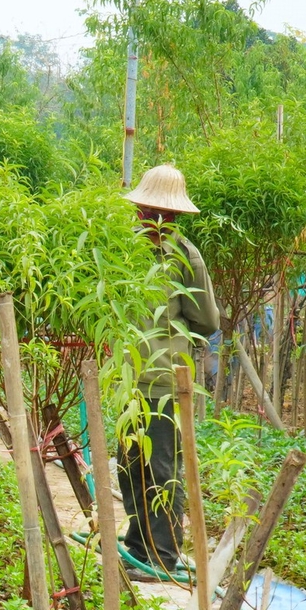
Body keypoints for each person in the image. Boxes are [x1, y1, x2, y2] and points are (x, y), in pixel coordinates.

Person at [118, 163, 221, 581]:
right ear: (139, 209)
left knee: (161, 467)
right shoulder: (119, 248)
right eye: (150, 211)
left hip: (163, 378)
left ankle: (163, 556)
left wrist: (169, 338)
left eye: (166, 215)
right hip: (125, 377)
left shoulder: (185, 255)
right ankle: (139, 544)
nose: (157, 220)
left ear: (176, 216)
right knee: (130, 466)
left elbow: (207, 320)